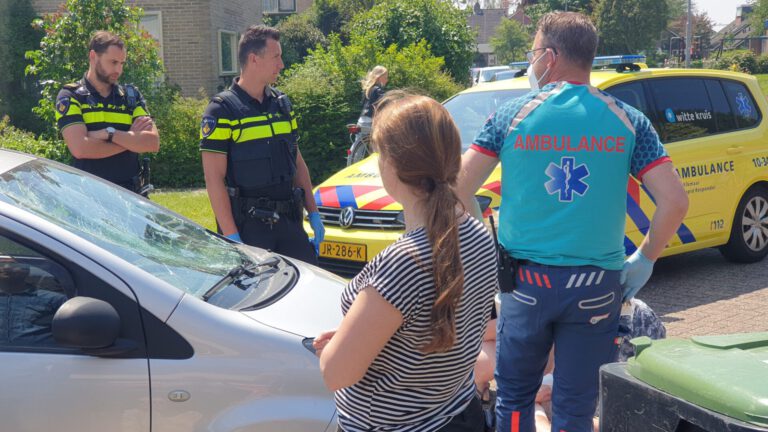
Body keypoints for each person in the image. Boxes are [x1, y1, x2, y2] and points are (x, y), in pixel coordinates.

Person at [456, 11, 689, 432]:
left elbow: (456, 187)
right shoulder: (628, 121)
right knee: (576, 409)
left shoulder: (512, 115)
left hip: (524, 285)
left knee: (513, 403)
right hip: (598, 286)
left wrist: (481, 239)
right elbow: (674, 201)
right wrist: (646, 258)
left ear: (549, 55)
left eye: (532, 52)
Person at [313, 93, 498, 431]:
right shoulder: (478, 236)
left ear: (392, 165)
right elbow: (439, 328)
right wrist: (364, 334)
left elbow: (336, 374)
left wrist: (334, 351)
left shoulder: (402, 262)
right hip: (457, 414)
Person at [200, 25, 323, 264]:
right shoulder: (221, 110)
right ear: (254, 59)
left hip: (289, 222)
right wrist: (232, 237)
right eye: (276, 57)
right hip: (250, 228)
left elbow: (297, 160)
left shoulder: (282, 104)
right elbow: (214, 179)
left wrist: (313, 212)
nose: (282, 64)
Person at [55, 31, 160, 193]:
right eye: (113, 62)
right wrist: (131, 140)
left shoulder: (131, 96)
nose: (118, 69)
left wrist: (108, 134)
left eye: (122, 63)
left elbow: (152, 143)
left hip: (132, 197)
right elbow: (80, 149)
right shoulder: (71, 96)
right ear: (93, 56)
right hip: (89, 197)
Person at [0, 259, 66, 345]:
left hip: (43, 356)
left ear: (26, 271)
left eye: (13, 265)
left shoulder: (55, 300)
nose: (6, 268)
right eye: (2, 263)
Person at [357, 65, 388, 134]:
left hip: (362, 120)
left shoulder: (367, 89)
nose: (387, 80)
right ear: (379, 77)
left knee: (359, 142)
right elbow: (385, 103)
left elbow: (362, 104)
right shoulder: (378, 90)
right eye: (385, 77)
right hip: (370, 122)